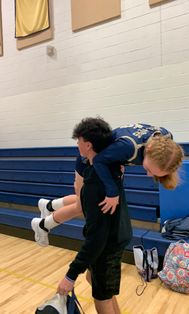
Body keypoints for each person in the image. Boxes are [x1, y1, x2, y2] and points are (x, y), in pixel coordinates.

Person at [32, 121, 184, 246]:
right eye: (149, 169)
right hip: (88, 161)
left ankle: (48, 206)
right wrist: (112, 192)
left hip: (106, 162)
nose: (148, 174)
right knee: (82, 206)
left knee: (83, 202)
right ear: (148, 149)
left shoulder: (166, 140)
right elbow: (98, 160)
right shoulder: (129, 147)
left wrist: (119, 159)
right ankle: (42, 225)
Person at [55, 118, 132, 314]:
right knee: (95, 280)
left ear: (87, 145)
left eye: (78, 141)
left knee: (102, 299)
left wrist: (70, 276)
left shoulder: (94, 186)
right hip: (118, 235)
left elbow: (96, 239)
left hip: (107, 244)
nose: (77, 145)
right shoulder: (111, 169)